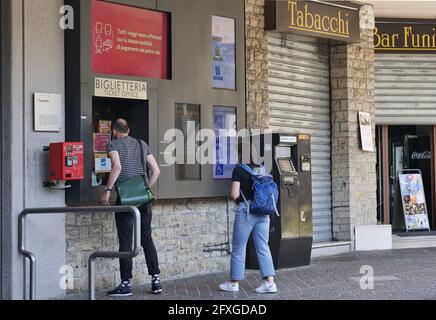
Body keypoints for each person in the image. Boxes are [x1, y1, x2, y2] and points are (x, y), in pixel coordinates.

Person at [101, 119, 162, 297]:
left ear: (114, 131)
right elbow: (156, 171)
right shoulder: (142, 144)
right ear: (129, 129)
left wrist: (107, 191)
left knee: (126, 242)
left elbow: (117, 167)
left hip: (125, 201)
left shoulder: (113, 144)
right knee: (147, 239)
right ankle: (156, 281)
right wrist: (144, 190)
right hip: (144, 200)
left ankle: (126, 284)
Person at [219, 142, 278, 294]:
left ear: (239, 153)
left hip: (246, 211)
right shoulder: (261, 167)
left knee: (239, 248)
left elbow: (234, 194)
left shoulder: (238, 169)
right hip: (263, 211)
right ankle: (270, 283)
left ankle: (234, 283)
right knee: (263, 247)